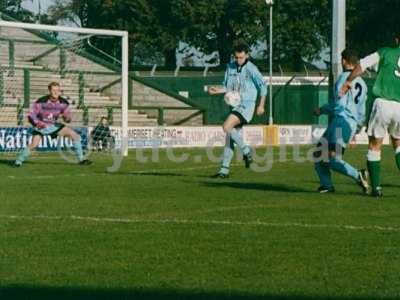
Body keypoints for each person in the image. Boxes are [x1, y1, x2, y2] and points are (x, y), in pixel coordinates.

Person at [340, 33, 400, 197]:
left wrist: (349, 81)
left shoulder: (385, 52)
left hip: (383, 103)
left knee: (375, 146)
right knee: (398, 144)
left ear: (396, 40)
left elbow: (361, 65)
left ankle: (376, 188)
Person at [208, 41, 267, 178]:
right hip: (234, 106)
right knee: (229, 139)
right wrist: (216, 90)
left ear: (247, 55)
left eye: (241, 57)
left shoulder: (252, 69)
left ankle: (247, 151)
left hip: (246, 106)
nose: (239, 60)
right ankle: (224, 170)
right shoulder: (230, 67)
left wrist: (261, 105)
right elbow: (226, 87)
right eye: (236, 57)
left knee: (226, 126)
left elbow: (263, 87)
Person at [313, 49, 369, 194]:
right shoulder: (362, 83)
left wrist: (322, 109)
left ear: (344, 61)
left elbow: (339, 103)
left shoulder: (344, 78)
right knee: (319, 154)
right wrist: (355, 130)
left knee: (333, 157)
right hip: (348, 124)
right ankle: (327, 185)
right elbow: (361, 111)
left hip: (340, 121)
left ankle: (358, 175)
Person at [14, 82, 92, 166]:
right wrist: (37, 123)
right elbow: (31, 116)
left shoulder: (63, 103)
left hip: (54, 126)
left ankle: (81, 159)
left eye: (58, 90)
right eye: (53, 90)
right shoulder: (41, 101)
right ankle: (18, 161)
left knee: (75, 136)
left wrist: (67, 118)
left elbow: (67, 119)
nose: (56, 92)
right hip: (41, 127)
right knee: (34, 144)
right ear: (49, 91)